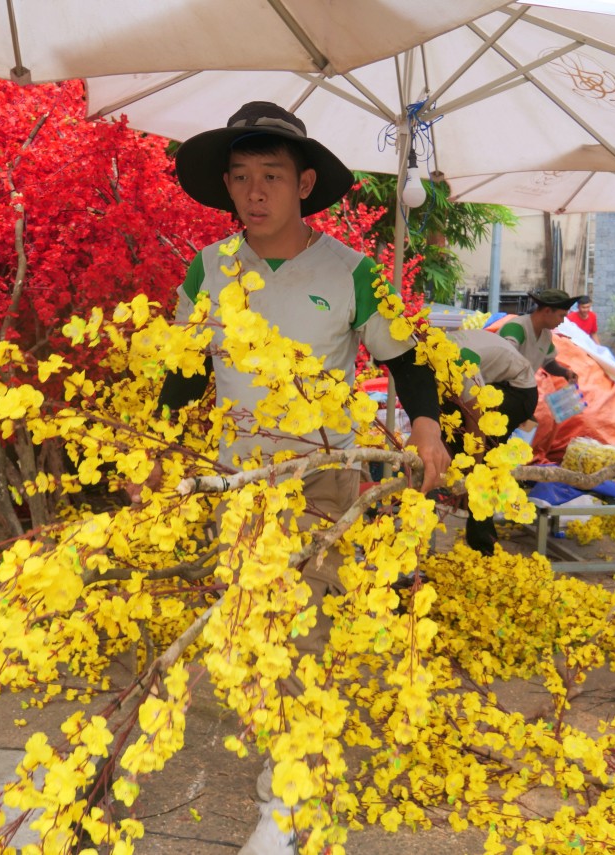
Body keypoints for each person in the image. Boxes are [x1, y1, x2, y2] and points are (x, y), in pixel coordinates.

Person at [158, 101, 451, 855]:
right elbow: (185, 370)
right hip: (239, 480)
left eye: (273, 177)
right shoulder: (211, 267)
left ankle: (283, 797)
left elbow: (407, 359)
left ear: (305, 182)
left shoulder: (351, 272)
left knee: (302, 627)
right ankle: (286, 761)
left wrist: (426, 428)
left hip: (321, 474)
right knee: (252, 628)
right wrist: (157, 451)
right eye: (243, 178)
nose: (256, 193)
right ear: (227, 186)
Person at [443, 329, 538, 555]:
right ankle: (481, 531)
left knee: (483, 461)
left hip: (517, 391)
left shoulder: (456, 363)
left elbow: (476, 420)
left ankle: (484, 543)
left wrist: (473, 471)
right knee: (447, 424)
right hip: (498, 383)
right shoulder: (437, 350)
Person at [496, 288, 581, 387]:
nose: (562, 321)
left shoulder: (546, 335)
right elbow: (503, 359)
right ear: (547, 311)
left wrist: (565, 372)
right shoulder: (516, 328)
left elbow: (548, 362)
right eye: (561, 316)